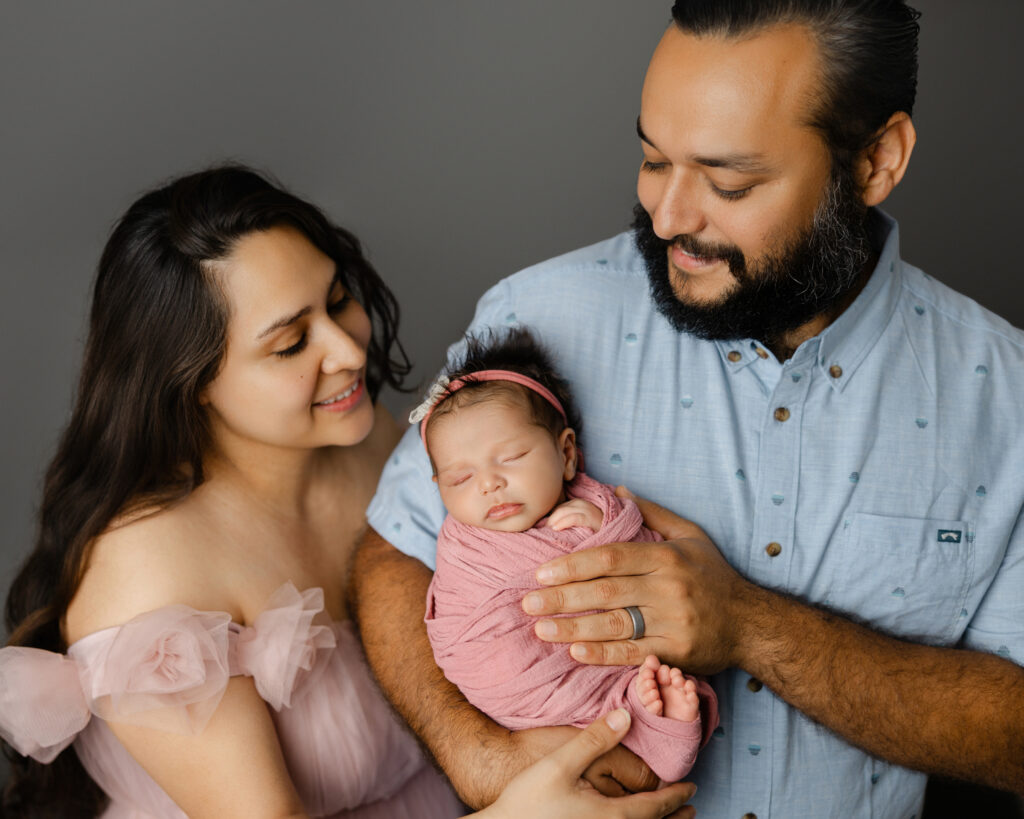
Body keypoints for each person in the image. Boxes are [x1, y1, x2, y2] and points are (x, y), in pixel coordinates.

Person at [354, 1, 1024, 816]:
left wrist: (749, 625)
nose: (669, 217)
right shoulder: (534, 316)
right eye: (652, 159)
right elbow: (393, 556)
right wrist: (485, 762)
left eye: (728, 181)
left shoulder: (1006, 395)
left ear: (877, 160)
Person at [0, 165, 697, 819]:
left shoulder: (372, 450)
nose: (349, 350)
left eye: (338, 300)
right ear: (193, 380)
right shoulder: (145, 573)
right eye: (291, 343)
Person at [417, 328, 718, 783]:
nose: (489, 484)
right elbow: (451, 621)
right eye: (460, 479)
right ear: (439, 490)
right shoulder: (462, 547)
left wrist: (603, 532)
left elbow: (656, 572)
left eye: (512, 456)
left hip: (597, 674)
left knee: (643, 678)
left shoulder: (597, 511)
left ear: (567, 454)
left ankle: (654, 727)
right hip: (511, 702)